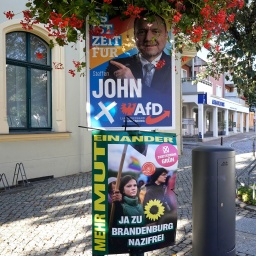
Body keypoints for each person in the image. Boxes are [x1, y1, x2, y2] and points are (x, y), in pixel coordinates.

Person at [105, 11, 172, 95]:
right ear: (134, 35)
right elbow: (107, 101)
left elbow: (168, 101)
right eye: (142, 32)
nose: (148, 38)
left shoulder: (174, 66)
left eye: (155, 32)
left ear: (166, 35)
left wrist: (134, 84)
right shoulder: (117, 67)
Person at [109, 175, 145, 255]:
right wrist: (117, 202)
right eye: (129, 186)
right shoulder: (121, 206)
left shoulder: (139, 204)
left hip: (141, 244)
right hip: (132, 246)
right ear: (123, 190)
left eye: (135, 185)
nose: (133, 188)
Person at [143, 168, 177, 248]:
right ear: (156, 176)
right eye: (163, 175)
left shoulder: (164, 187)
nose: (165, 176)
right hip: (158, 224)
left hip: (168, 222)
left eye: (166, 175)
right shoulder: (150, 191)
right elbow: (147, 210)